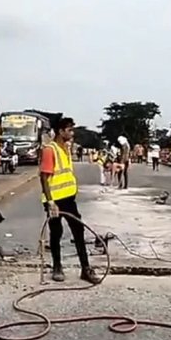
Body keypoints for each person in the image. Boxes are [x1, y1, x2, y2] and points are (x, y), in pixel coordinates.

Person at [39, 117, 98, 283]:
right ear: (60, 131)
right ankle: (57, 267)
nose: (72, 133)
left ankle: (85, 269)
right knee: (56, 233)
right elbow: (44, 177)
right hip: (55, 201)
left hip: (69, 199)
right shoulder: (50, 150)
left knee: (78, 231)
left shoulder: (65, 148)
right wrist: (50, 202)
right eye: (69, 130)